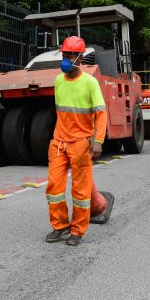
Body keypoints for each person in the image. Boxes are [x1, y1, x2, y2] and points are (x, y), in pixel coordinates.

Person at [44, 36, 107, 246]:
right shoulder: (58, 81)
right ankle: (60, 226)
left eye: (70, 55)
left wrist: (98, 140)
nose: (66, 59)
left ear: (80, 58)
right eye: (64, 55)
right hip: (59, 142)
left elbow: (100, 113)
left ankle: (78, 230)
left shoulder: (90, 83)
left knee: (80, 190)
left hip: (81, 143)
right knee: (54, 186)